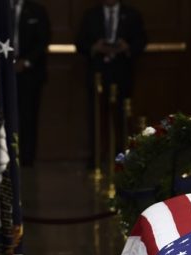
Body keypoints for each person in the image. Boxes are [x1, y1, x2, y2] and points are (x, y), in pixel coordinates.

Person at [75, 0, 146, 168]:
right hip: (98, 75)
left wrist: (127, 47)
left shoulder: (132, 14)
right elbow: (79, 43)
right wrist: (95, 47)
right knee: (96, 116)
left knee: (122, 117)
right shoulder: (91, 15)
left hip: (122, 74)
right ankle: (97, 158)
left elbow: (142, 40)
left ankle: (122, 157)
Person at [14, 0, 50, 167]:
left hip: (30, 74)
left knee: (28, 117)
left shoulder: (37, 10)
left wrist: (27, 62)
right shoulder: (1, 10)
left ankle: (27, 158)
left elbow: (44, 40)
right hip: (5, 72)